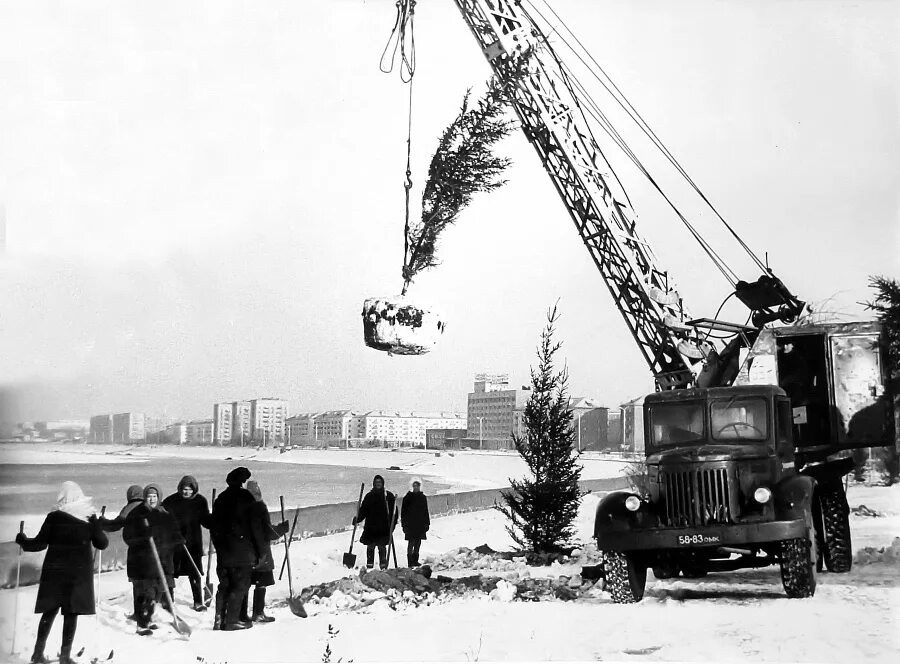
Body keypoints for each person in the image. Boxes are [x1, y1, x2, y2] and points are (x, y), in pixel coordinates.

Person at [16, 482, 108, 664]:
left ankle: (37, 654)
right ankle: (65, 656)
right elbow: (102, 544)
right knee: (71, 613)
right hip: (78, 575)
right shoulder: (89, 517)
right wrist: (99, 527)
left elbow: (39, 544)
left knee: (49, 612)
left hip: (55, 573)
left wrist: (23, 540)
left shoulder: (54, 517)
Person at [122, 484, 184, 635]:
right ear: (144, 497)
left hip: (162, 560)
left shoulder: (165, 514)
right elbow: (128, 537)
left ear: (159, 497)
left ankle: (148, 618)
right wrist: (143, 537)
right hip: (145, 561)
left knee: (157, 592)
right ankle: (142, 623)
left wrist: (178, 538)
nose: (151, 499)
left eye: (154, 497)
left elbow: (173, 530)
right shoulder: (137, 514)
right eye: (149, 497)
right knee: (147, 593)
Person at [210, 466, 263, 631]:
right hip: (242, 551)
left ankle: (219, 619)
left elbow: (214, 526)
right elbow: (255, 527)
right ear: (242, 481)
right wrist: (260, 551)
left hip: (224, 552)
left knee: (224, 585)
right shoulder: (246, 498)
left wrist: (219, 546)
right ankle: (232, 621)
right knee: (240, 586)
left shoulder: (220, 499)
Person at [240, 480, 289, 623]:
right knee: (260, 582)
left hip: (245, 552)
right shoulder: (259, 507)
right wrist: (281, 529)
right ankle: (258, 613)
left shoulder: (241, 508)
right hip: (261, 551)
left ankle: (242, 614)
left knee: (246, 583)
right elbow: (268, 531)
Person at [162, 475, 212, 611]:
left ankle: (198, 601)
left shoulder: (200, 501)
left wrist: (215, 521)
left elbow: (205, 520)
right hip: (174, 544)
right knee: (170, 572)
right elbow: (162, 519)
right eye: (184, 489)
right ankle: (168, 601)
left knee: (195, 572)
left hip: (193, 543)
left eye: (190, 490)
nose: (187, 492)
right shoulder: (170, 501)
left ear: (194, 489)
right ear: (180, 488)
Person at [353, 474, 396, 570]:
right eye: (376, 482)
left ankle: (383, 566)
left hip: (383, 527)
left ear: (383, 483)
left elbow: (394, 513)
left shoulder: (388, 496)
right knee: (370, 547)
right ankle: (370, 566)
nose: (378, 484)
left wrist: (392, 526)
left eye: (380, 482)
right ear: (373, 483)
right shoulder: (369, 496)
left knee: (381, 547)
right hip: (371, 527)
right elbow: (363, 510)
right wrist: (358, 519)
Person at [400, 477, 430, 567]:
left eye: (417, 486)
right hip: (410, 525)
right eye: (414, 486)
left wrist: (427, 523)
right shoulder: (407, 498)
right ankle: (410, 562)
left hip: (420, 524)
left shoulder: (422, 497)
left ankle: (415, 560)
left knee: (418, 542)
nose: (416, 487)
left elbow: (425, 511)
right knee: (411, 543)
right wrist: (404, 525)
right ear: (411, 486)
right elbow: (403, 513)